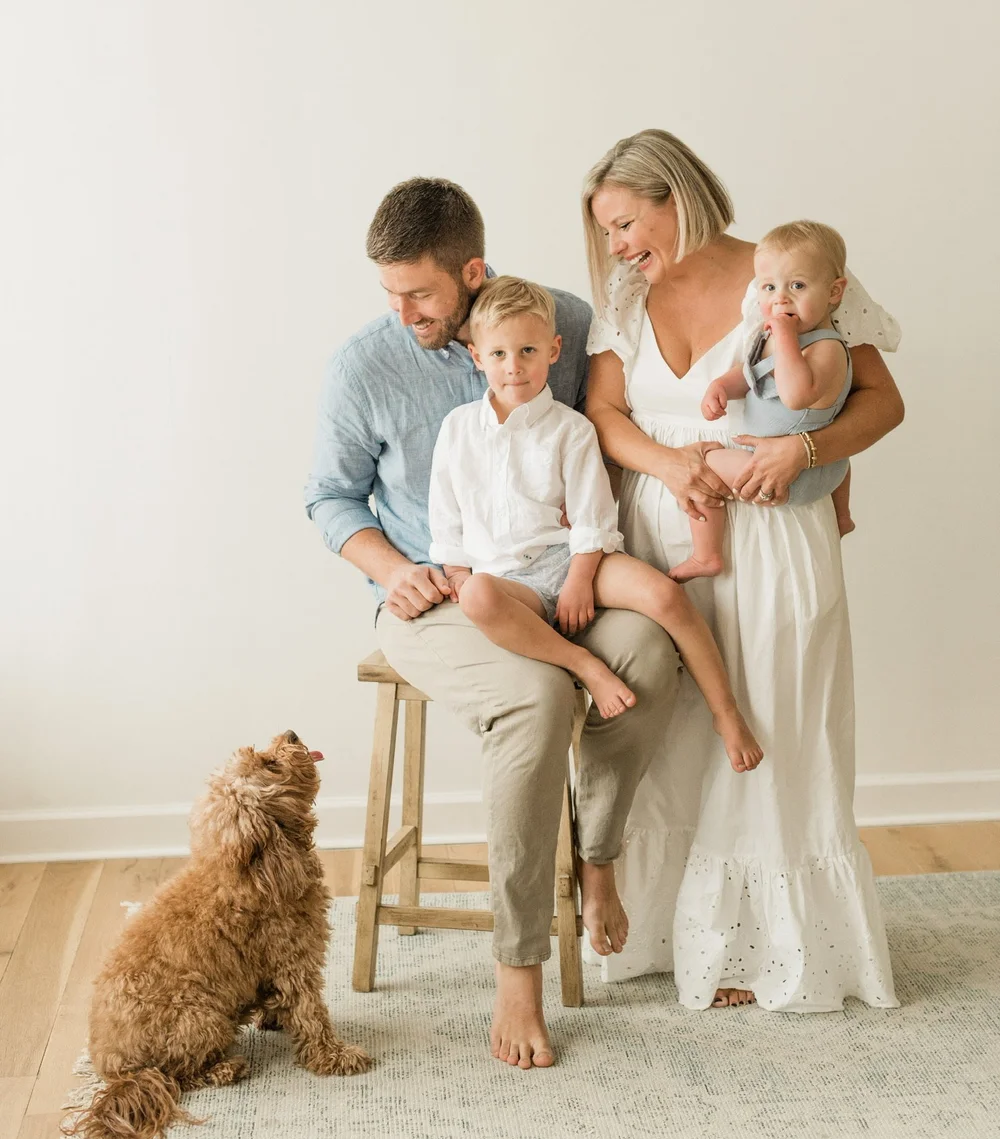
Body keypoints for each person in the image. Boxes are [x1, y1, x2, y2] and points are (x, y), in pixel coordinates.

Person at [305, 177, 681, 1068]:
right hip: (441, 603)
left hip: (561, 581)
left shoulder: (571, 323)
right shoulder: (363, 366)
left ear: (473, 272)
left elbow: (609, 421)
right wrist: (394, 571)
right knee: (536, 700)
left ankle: (598, 852)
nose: (402, 313)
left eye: (421, 295)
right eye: (389, 294)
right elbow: (328, 495)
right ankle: (520, 969)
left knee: (650, 651)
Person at [582, 129, 902, 1012]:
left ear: (674, 195)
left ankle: (770, 950)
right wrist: (668, 463)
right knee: (677, 733)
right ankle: (672, 936)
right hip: (666, 532)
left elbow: (883, 401)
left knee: (773, 729)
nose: (616, 247)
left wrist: (803, 448)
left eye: (624, 223)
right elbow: (605, 414)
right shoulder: (621, 295)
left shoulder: (788, 271)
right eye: (605, 231)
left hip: (774, 529)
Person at [429, 274, 763, 772]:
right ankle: (583, 663)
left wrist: (580, 581)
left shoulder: (572, 428)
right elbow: (446, 515)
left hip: (571, 557)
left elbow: (593, 517)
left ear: (554, 350)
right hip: (502, 577)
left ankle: (727, 712)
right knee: (476, 596)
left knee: (667, 596)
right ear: (477, 356)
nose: (513, 367)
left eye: (527, 351)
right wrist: (456, 572)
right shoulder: (457, 430)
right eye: (498, 354)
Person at [670, 219, 855, 583]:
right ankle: (841, 516)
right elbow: (753, 373)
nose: (779, 298)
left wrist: (784, 334)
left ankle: (706, 555)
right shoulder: (770, 338)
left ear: (835, 292)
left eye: (797, 286)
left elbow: (795, 393)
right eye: (768, 287)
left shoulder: (827, 348)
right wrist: (723, 384)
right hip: (820, 468)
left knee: (704, 463)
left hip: (792, 474)